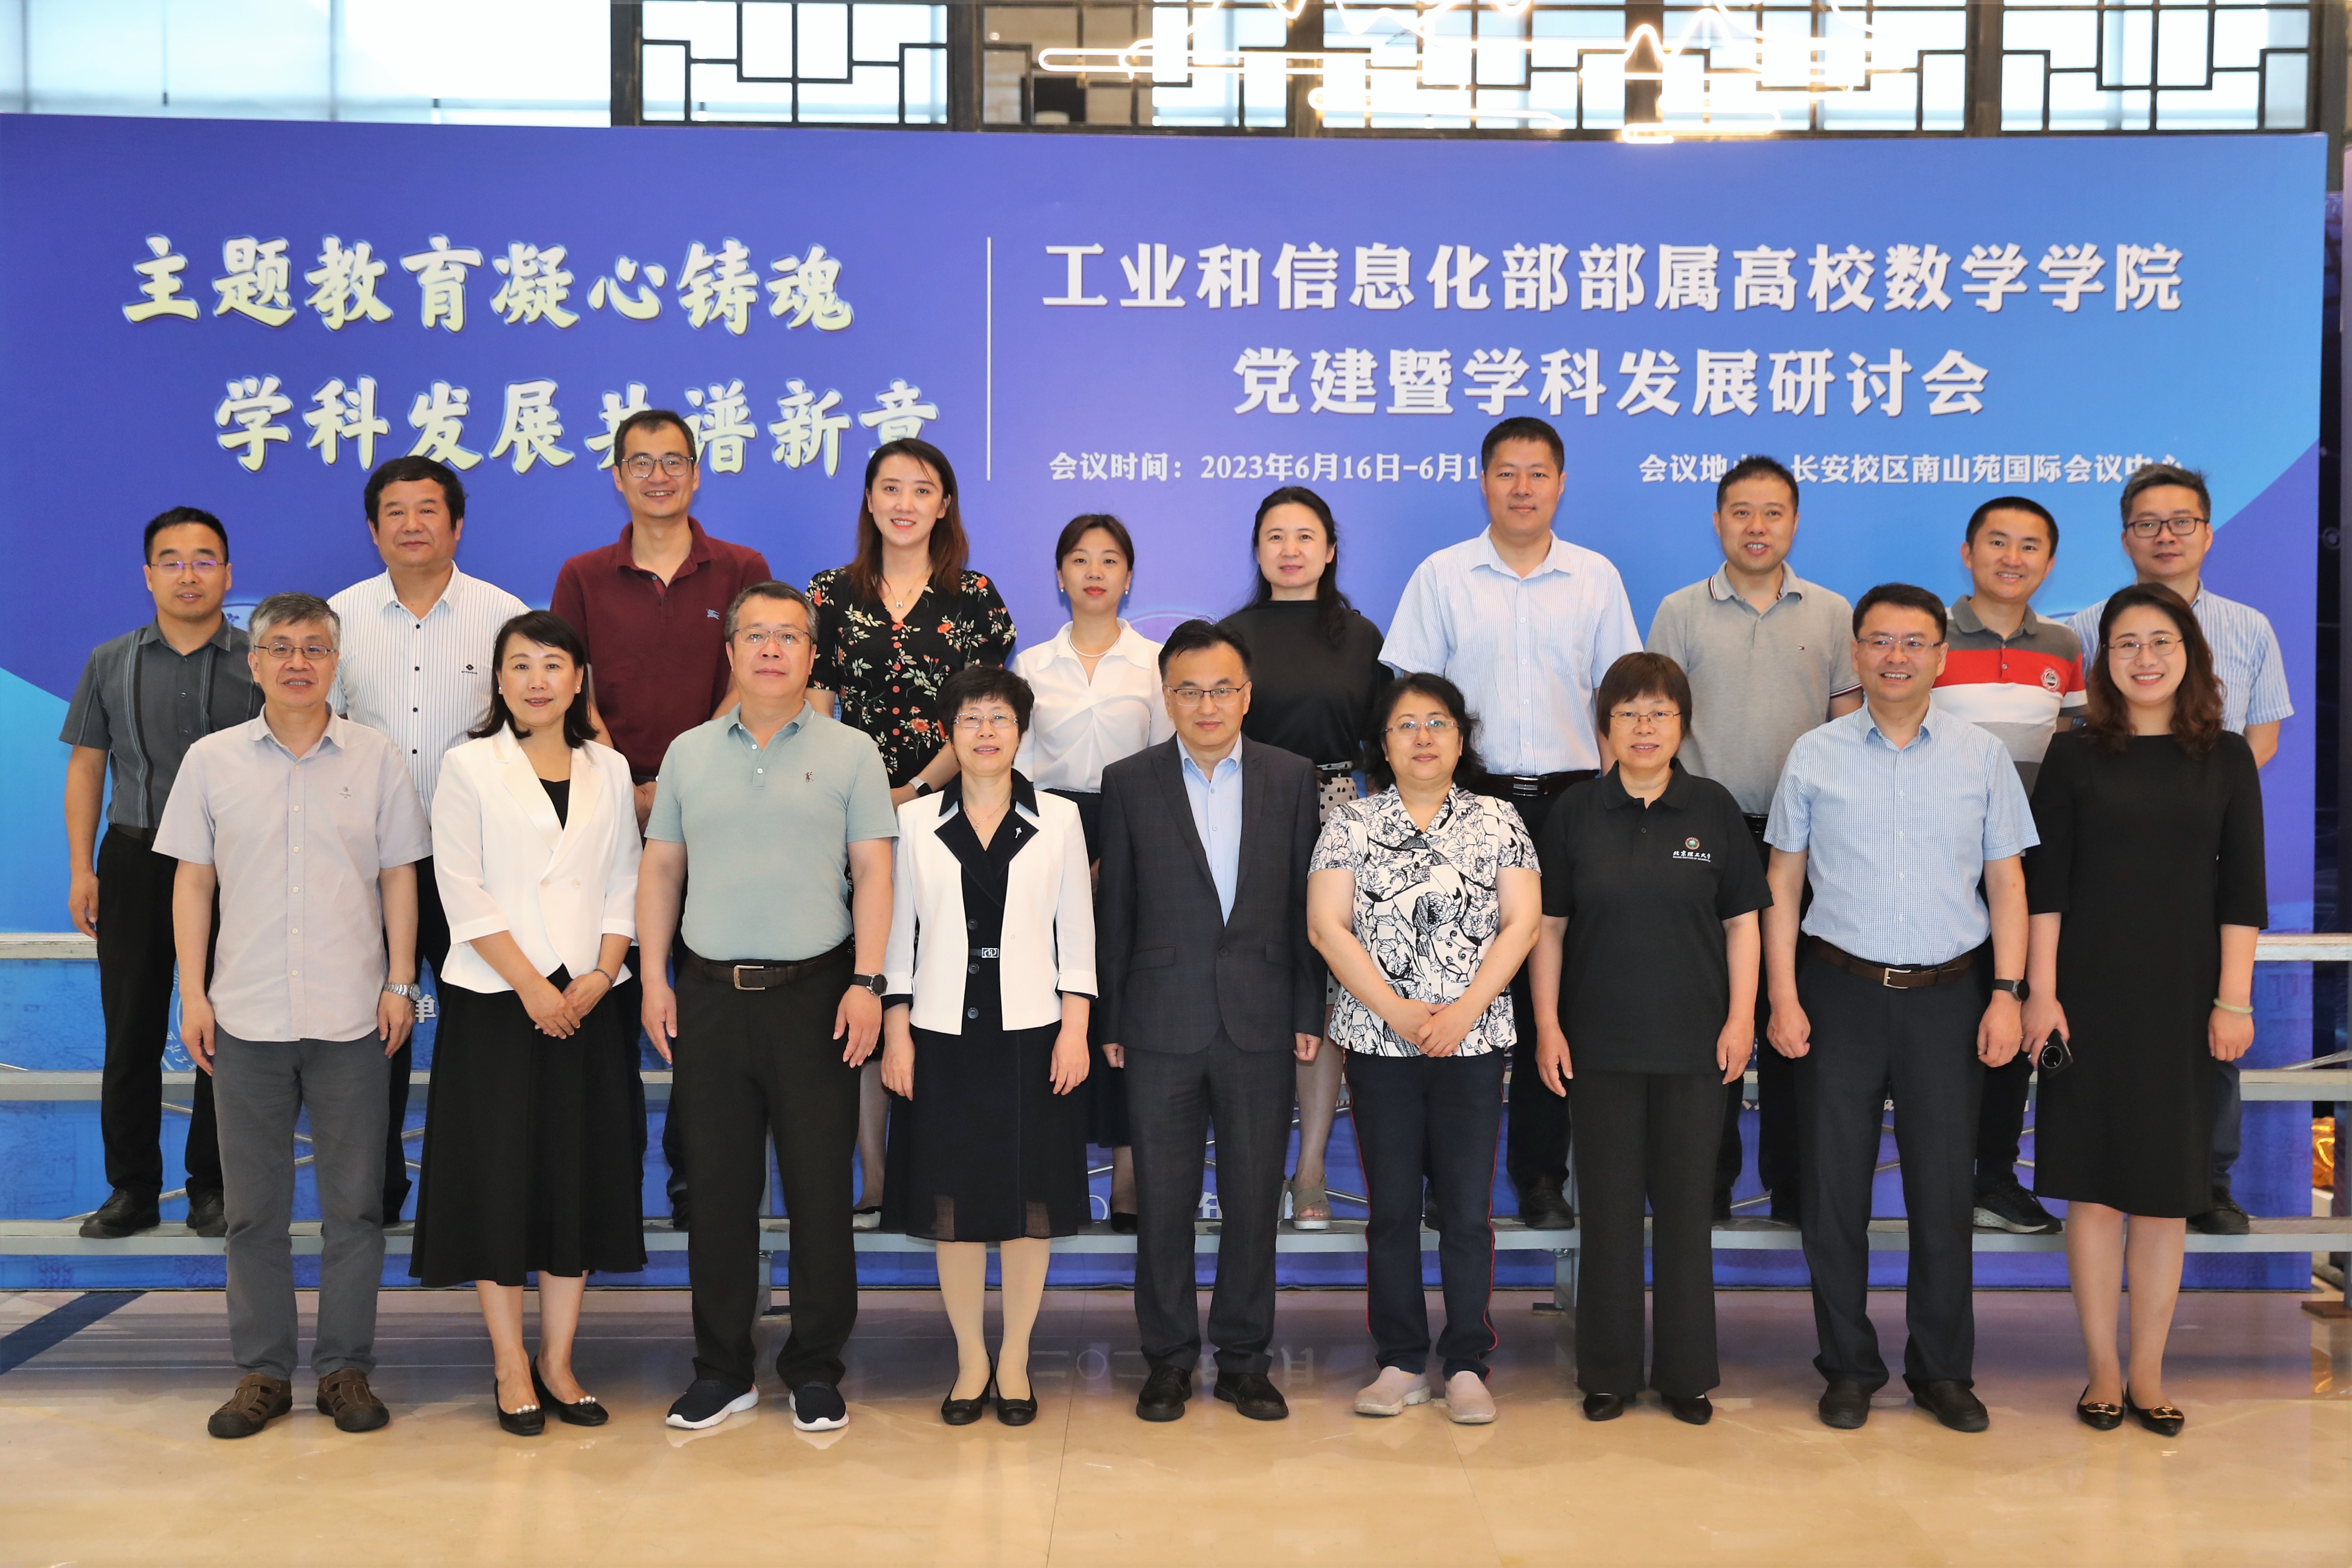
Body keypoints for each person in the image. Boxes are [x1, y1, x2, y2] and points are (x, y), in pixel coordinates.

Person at [154, 592, 431, 1440]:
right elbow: (193, 880)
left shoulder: (376, 757)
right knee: (253, 1211)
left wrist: (401, 982)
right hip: (245, 1015)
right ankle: (263, 1372)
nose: (297, 662)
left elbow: (400, 875)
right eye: (280, 647)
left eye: (314, 647)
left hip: (354, 1016)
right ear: (255, 662)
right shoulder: (212, 760)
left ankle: (345, 1369)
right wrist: (193, 993)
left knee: (355, 1208)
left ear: (335, 663)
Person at [1763, 583, 2035, 1435]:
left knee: (1943, 1193)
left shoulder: (1979, 756)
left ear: (1939, 657)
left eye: (1914, 642)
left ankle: (1941, 1370)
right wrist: (1781, 995)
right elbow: (1781, 883)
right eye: (1879, 640)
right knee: (1833, 1193)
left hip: (1950, 997)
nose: (1895, 657)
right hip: (1836, 991)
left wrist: (2007, 994)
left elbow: (2007, 883)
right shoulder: (1813, 753)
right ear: (1855, 653)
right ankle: (1846, 1367)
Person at [637, 580, 895, 1434]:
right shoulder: (688, 752)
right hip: (709, 997)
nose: (772, 649)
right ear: (731, 652)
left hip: (818, 997)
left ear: (813, 654)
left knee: (820, 1191)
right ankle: (721, 1369)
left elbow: (876, 871)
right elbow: (662, 868)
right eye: (756, 635)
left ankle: (815, 1369)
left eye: (789, 636)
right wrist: (654, 979)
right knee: (718, 1193)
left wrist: (867, 981)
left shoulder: (853, 751)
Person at [1382, 415, 1641, 1231]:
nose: (1522, 488)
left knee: (1549, 995)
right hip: (1469, 800)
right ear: (1483, 481)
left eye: (1537, 473)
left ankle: (1540, 1177)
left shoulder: (1595, 577)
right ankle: (1442, 1181)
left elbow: (1617, 700)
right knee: (1450, 982)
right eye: (1506, 472)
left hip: (1572, 801)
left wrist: (1615, 805)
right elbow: (1415, 701)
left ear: (1560, 483)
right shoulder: (1441, 576)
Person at [2024, 584, 2265, 1438]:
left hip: (2185, 999)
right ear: (2104, 660)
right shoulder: (2074, 755)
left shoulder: (2225, 756)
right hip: (2085, 996)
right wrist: (2040, 992)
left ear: (2189, 652)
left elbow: (2242, 890)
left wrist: (2233, 998)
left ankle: (2149, 1373)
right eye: (2125, 643)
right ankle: (2100, 1369)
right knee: (2093, 1194)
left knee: (2164, 1195)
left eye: (2161, 641)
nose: (2144, 658)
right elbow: (2045, 890)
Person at [409, 611, 646, 1436]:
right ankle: (510, 1361)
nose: (537, 680)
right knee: (499, 1178)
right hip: (497, 1003)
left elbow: (625, 879)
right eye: (520, 665)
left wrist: (601, 974)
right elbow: (461, 888)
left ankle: (560, 1359)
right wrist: (533, 988)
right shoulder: (468, 764)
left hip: (590, 1001)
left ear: (578, 680)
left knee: (575, 1175)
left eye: (553, 664)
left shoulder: (610, 767)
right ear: (499, 680)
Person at [1529, 653, 1768, 1426]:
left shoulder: (1712, 807)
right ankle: (1606, 1372)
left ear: (1682, 724)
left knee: (1685, 1213)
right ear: (1604, 725)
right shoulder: (1575, 812)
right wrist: (1547, 1025)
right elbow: (1548, 928)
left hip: (1696, 1047)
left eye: (1659, 713)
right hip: (1597, 1045)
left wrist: (1741, 1019)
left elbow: (1743, 923)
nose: (1643, 727)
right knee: (1605, 1212)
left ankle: (1686, 1373)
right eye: (1628, 712)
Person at [1096, 619, 1323, 1424]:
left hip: (1262, 1014)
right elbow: (1115, 908)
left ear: (1246, 695)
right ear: (1166, 698)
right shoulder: (1128, 781)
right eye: (1188, 690)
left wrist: (1307, 1006)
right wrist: (1112, 1017)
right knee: (1161, 1200)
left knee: (1253, 1197)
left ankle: (1244, 1361)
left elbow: (1305, 904)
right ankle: (1166, 1359)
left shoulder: (1291, 777)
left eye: (1222, 688)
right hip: (1159, 1017)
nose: (1206, 704)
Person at [551, 408, 771, 1233]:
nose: (658, 476)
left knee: (706, 1008)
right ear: (617, 476)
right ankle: (606, 1173)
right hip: (607, 812)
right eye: (640, 463)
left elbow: (753, 676)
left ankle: (695, 1175)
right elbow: (570, 680)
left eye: (673, 461)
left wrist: (678, 778)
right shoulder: (582, 574)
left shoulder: (741, 566)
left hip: (713, 812)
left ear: (697, 473)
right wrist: (624, 780)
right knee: (609, 995)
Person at [2065, 463, 2290, 1237]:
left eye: (2180, 521)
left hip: (2204, 848)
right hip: (2107, 862)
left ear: (2207, 531)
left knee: (2208, 1024)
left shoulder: (2248, 627)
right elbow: (2073, 731)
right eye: (2147, 523)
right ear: (2124, 535)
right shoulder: (2083, 627)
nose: (2164, 536)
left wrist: (2195, 796)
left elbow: (2260, 736)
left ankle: (2208, 1178)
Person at [1308, 673, 1538, 1426]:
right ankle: (1401, 1360)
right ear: (1383, 744)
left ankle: (1467, 1362)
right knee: (1392, 1211)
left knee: (1467, 1211)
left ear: (1461, 738)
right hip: (1380, 1041)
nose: (1422, 737)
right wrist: (1401, 1013)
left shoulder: (1497, 818)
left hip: (1472, 1043)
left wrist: (1462, 1012)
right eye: (1405, 724)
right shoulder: (1350, 821)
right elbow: (1326, 926)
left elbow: (1522, 924)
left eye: (1437, 722)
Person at [1645, 456, 1858, 1225]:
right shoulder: (1678, 610)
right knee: (1709, 1013)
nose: (1756, 527)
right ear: (1717, 522)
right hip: (1704, 832)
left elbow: (1846, 727)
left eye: (1772, 512)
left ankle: (1795, 1187)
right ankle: (1704, 1187)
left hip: (1805, 839)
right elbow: (1654, 721)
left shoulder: (1832, 613)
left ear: (1794, 522)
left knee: (1795, 1012)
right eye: (1740, 512)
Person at [807, 437, 1014, 1231]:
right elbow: (817, 702)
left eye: (921, 489)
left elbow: (983, 711)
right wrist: (863, 793)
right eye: (889, 488)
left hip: (952, 810)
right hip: (846, 816)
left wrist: (917, 788)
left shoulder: (976, 597)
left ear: (944, 504)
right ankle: (873, 1173)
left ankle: (945, 1167)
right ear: (868, 500)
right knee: (866, 984)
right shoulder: (830, 592)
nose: (904, 503)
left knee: (941, 984)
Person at [880, 666, 1095, 1426]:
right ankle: (971, 1357)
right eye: (970, 718)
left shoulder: (1059, 817)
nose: (985, 731)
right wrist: (897, 1028)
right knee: (953, 1202)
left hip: (1034, 1033)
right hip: (941, 1034)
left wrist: (1075, 1028)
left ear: (1021, 731)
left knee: (1028, 1202)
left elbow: (1077, 932)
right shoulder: (913, 821)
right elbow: (898, 935)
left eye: (1000, 718)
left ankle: (1015, 1358)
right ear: (948, 732)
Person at [329, 455, 529, 1225]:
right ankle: (375, 1195)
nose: (412, 525)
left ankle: (468, 1199)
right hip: (368, 863)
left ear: (457, 524)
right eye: (395, 512)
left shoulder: (502, 615)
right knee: (371, 1034)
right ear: (373, 527)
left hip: (475, 865)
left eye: (428, 510)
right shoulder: (339, 619)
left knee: (478, 1036)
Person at [60, 507, 261, 1240]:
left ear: (228, 574)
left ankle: (212, 1185)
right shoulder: (109, 661)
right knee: (131, 1029)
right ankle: (132, 1188)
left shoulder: (262, 661)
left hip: (236, 866)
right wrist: (82, 867)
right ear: (148, 575)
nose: (188, 574)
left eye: (204, 559)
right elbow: (87, 766)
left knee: (226, 1029)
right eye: (171, 561)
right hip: (134, 858)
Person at [1221, 486, 1389, 1233]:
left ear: (1329, 551)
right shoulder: (1230, 636)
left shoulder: (1361, 637)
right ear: (1257, 550)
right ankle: (1249, 1165)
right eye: (1274, 536)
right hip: (1246, 807)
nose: (1289, 550)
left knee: (1325, 993)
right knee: (1251, 984)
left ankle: (1312, 1167)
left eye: (1304, 536)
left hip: (1338, 811)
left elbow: (1382, 742)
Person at [1928, 495, 2085, 1239]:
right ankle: (1937, 1177)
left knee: (2012, 1013)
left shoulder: (2062, 646)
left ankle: (1992, 1177)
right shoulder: (1928, 636)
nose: (2011, 558)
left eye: (2029, 546)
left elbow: (2077, 747)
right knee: (1941, 1024)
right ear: (1967, 553)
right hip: (1938, 860)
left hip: (2027, 863)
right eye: (1996, 542)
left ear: (2048, 564)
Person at [1009, 515, 1169, 1233]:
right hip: (1047, 832)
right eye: (1079, 559)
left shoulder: (1156, 663)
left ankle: (1130, 1179)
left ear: (1129, 576)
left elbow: (1166, 766)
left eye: (1109, 560)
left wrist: (1124, 850)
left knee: (1127, 1006)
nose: (1094, 571)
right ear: (1059, 575)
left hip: (1133, 830)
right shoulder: (1031, 665)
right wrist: (1059, 853)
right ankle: (1055, 1175)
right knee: (1053, 1002)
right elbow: (1013, 768)